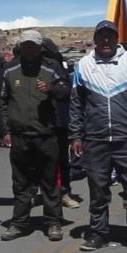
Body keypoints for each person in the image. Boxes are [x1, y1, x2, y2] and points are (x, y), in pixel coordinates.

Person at [69, 20, 127, 253]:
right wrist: (75, 135)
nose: (105, 40)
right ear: (95, 38)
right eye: (101, 36)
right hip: (96, 140)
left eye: (110, 36)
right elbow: (76, 104)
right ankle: (99, 233)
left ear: (116, 38)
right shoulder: (83, 65)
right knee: (98, 192)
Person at [0, 30, 70, 242]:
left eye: (33, 45)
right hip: (20, 136)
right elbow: (0, 101)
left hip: (47, 135)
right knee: (21, 183)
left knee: (49, 181)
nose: (30, 49)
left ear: (40, 47)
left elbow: (67, 91)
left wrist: (51, 88)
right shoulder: (9, 69)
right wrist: (4, 131)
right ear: (21, 47)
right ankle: (19, 223)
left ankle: (53, 222)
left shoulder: (52, 67)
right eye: (26, 45)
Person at [41, 37, 81, 209]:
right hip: (45, 120)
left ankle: (62, 191)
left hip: (60, 120)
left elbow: (67, 94)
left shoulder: (59, 67)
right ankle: (57, 192)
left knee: (60, 160)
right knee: (50, 161)